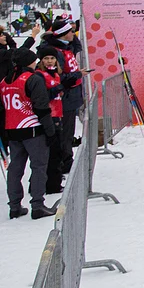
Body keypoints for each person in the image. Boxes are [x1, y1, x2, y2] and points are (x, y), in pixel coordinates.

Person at [2, 49, 56, 219]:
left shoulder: (4, 81)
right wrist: (50, 130)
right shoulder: (32, 79)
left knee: (15, 168)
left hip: (13, 129)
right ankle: (38, 205)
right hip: (32, 128)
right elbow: (41, 106)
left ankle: (15, 206)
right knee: (38, 166)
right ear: (29, 62)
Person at [39, 18, 86, 176]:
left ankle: (66, 161)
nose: (74, 33)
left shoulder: (67, 47)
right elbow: (58, 78)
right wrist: (78, 74)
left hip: (71, 98)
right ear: (63, 35)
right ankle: (63, 163)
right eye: (71, 32)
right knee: (64, 134)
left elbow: (77, 46)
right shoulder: (56, 53)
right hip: (63, 100)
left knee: (68, 132)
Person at [36, 48, 65, 194]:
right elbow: (42, 96)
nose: (49, 61)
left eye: (52, 58)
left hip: (57, 115)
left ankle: (53, 181)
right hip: (49, 117)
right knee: (53, 152)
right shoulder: (40, 75)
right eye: (46, 58)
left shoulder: (55, 74)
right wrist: (55, 90)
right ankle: (51, 185)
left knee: (56, 151)